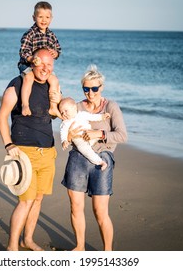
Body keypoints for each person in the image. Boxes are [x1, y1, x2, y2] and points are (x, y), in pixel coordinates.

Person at [0, 48, 60, 251]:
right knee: (26, 201)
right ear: (32, 62)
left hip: (48, 151)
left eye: (49, 64)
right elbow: (2, 115)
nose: (45, 68)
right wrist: (8, 144)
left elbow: (57, 112)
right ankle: (12, 246)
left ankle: (28, 239)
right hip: (24, 152)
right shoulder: (18, 84)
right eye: (41, 63)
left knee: (38, 199)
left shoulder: (51, 87)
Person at [61, 65, 127, 251]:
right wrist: (69, 134)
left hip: (102, 160)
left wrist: (98, 133)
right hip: (77, 158)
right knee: (76, 207)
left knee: (100, 211)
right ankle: (80, 246)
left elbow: (122, 135)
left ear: (101, 87)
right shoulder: (77, 107)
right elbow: (62, 124)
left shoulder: (111, 107)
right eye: (86, 89)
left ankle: (107, 253)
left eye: (95, 88)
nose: (90, 93)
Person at [18, 1, 62, 118]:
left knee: (54, 81)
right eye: (40, 17)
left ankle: (53, 107)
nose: (44, 20)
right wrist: (31, 58)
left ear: (51, 18)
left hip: (43, 67)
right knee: (29, 77)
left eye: (47, 17)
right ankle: (25, 104)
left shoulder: (51, 35)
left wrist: (55, 53)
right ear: (34, 17)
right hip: (28, 64)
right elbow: (23, 52)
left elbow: (58, 49)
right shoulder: (29, 34)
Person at [59, 97, 110, 170]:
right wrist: (64, 141)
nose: (64, 114)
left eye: (66, 111)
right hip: (79, 140)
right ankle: (100, 162)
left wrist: (102, 117)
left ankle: (103, 145)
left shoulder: (82, 114)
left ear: (74, 107)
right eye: (62, 112)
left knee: (100, 131)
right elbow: (63, 132)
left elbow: (92, 117)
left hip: (90, 134)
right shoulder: (65, 123)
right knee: (86, 150)